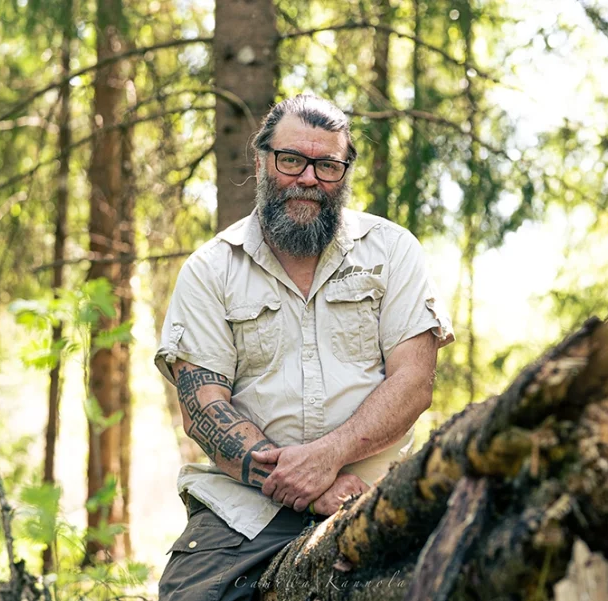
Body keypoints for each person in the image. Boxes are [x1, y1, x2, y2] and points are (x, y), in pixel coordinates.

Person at [154, 94, 454, 600]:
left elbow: (414, 382)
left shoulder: (392, 250)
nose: (309, 178)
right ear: (261, 161)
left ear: (345, 172)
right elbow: (204, 409)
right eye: (291, 160)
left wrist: (330, 456)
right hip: (245, 510)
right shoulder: (210, 270)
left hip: (377, 494)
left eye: (328, 166)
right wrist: (313, 486)